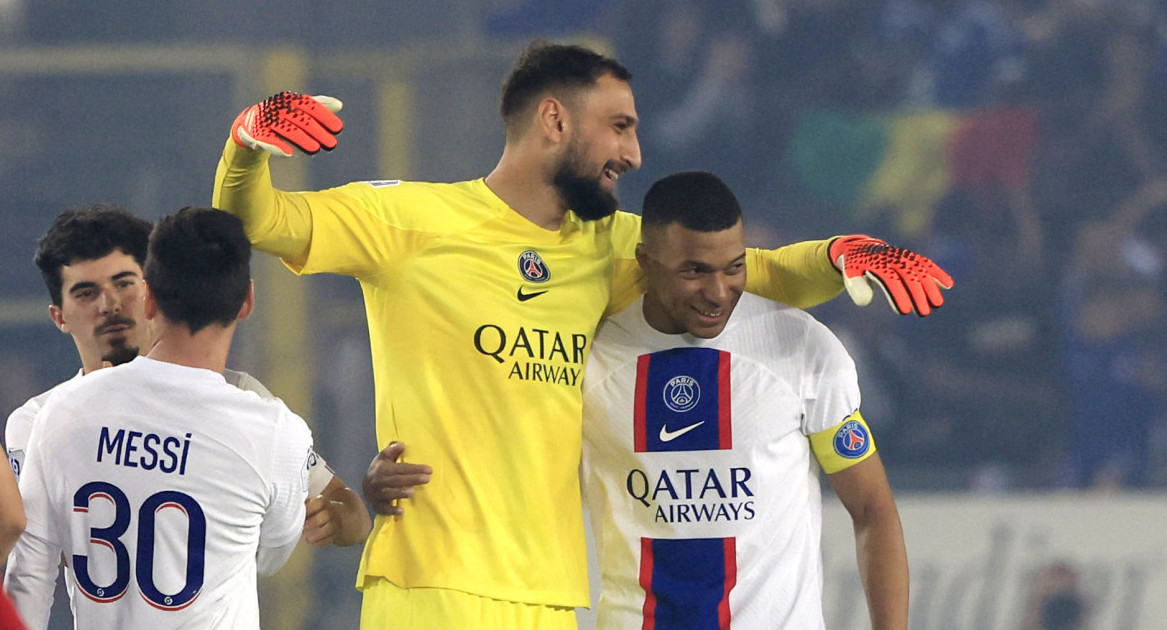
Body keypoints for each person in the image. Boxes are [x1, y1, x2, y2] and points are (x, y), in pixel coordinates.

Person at [215, 40, 944, 628]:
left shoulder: (612, 248)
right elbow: (260, 220)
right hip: (432, 585)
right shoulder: (411, 223)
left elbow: (754, 273)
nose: (632, 153)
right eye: (619, 126)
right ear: (556, 122)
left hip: (553, 598)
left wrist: (847, 252)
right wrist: (246, 145)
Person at [367, 172, 911, 628]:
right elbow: (498, 462)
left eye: (734, 267)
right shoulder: (587, 362)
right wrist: (382, 482)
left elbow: (872, 511)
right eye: (694, 271)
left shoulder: (801, 348)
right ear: (645, 262)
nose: (719, 291)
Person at [4, 208, 316, 629]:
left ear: (148, 297)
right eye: (85, 292)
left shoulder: (62, 413)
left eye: (123, 284)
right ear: (247, 302)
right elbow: (270, 555)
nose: (109, 305)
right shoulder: (273, 429)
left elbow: (30, 569)